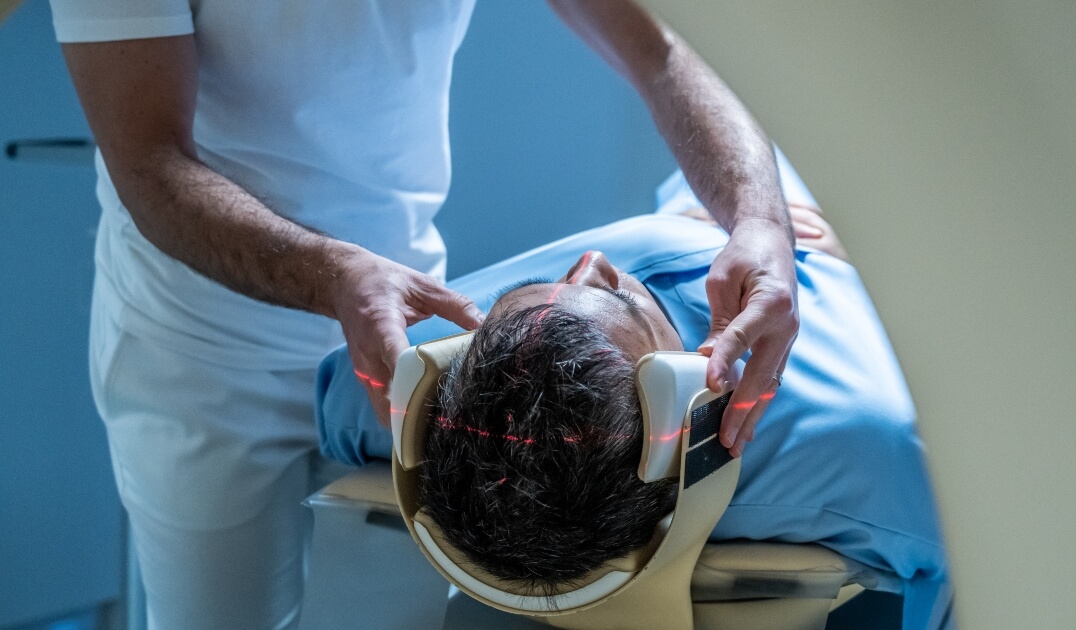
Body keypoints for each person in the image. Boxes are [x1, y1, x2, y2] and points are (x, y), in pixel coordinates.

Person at [51, 1, 802, 626]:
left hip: (407, 331)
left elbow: (659, 47)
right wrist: (333, 274)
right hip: (205, 339)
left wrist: (763, 221)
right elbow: (148, 161)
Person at [317, 153, 955, 630]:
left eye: (524, 296)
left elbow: (335, 391)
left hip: (712, 201)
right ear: (695, 406)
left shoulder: (375, 390)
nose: (593, 260)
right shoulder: (875, 454)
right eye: (622, 298)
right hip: (834, 229)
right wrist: (788, 223)